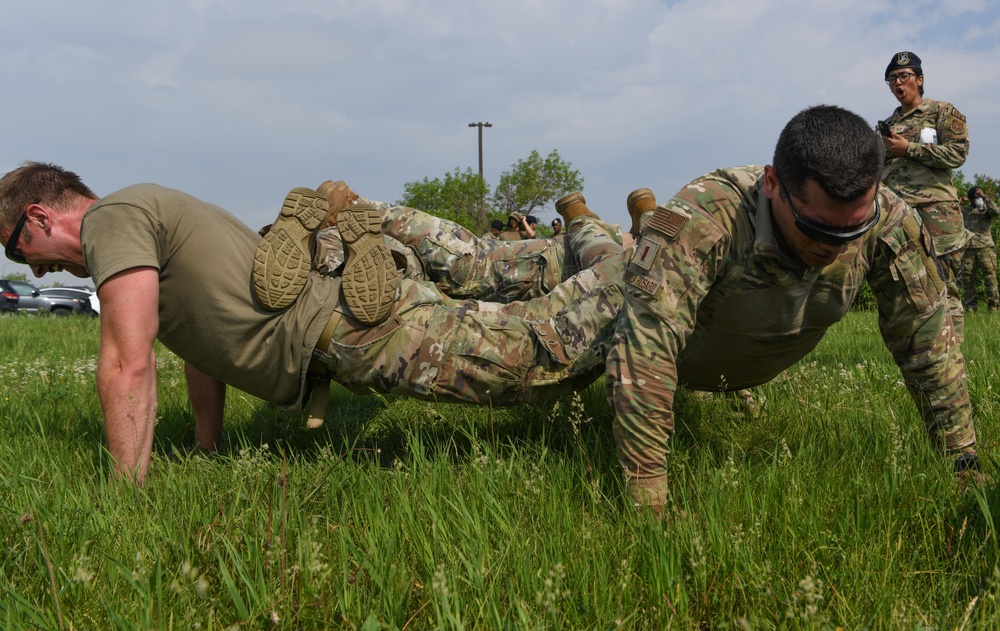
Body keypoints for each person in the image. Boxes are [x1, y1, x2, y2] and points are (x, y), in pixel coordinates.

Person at [0, 162, 624, 485]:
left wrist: (124, 499)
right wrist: (206, 445)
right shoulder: (141, 216)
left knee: (544, 353)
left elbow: (125, 363)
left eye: (17, 251)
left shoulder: (111, 221)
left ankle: (644, 265)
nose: (36, 271)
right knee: (530, 317)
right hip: (346, 321)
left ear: (38, 217)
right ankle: (605, 252)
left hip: (355, 324)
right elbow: (199, 343)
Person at [607, 105, 979, 514]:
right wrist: (649, 505)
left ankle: (639, 221)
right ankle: (599, 226)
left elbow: (927, 343)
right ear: (772, 184)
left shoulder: (890, 219)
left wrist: (962, 461)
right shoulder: (709, 214)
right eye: (817, 228)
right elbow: (645, 351)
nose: (836, 247)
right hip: (616, 297)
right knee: (538, 350)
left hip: (720, 345)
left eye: (853, 230)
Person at [879, 51, 970, 340]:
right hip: (898, 216)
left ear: (920, 79)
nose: (898, 83)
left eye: (904, 76)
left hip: (936, 213)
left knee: (944, 282)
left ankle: (953, 357)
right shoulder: (888, 124)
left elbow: (958, 153)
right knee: (909, 285)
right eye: (892, 78)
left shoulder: (942, 112)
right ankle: (926, 350)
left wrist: (910, 149)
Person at [958, 186, 1000, 311]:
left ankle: (994, 307)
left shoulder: (986, 210)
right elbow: (951, 214)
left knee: (990, 277)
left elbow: (997, 212)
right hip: (969, 248)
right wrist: (958, 203)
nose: (977, 201)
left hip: (985, 247)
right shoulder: (964, 211)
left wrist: (984, 197)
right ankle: (971, 307)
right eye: (974, 198)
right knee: (967, 278)